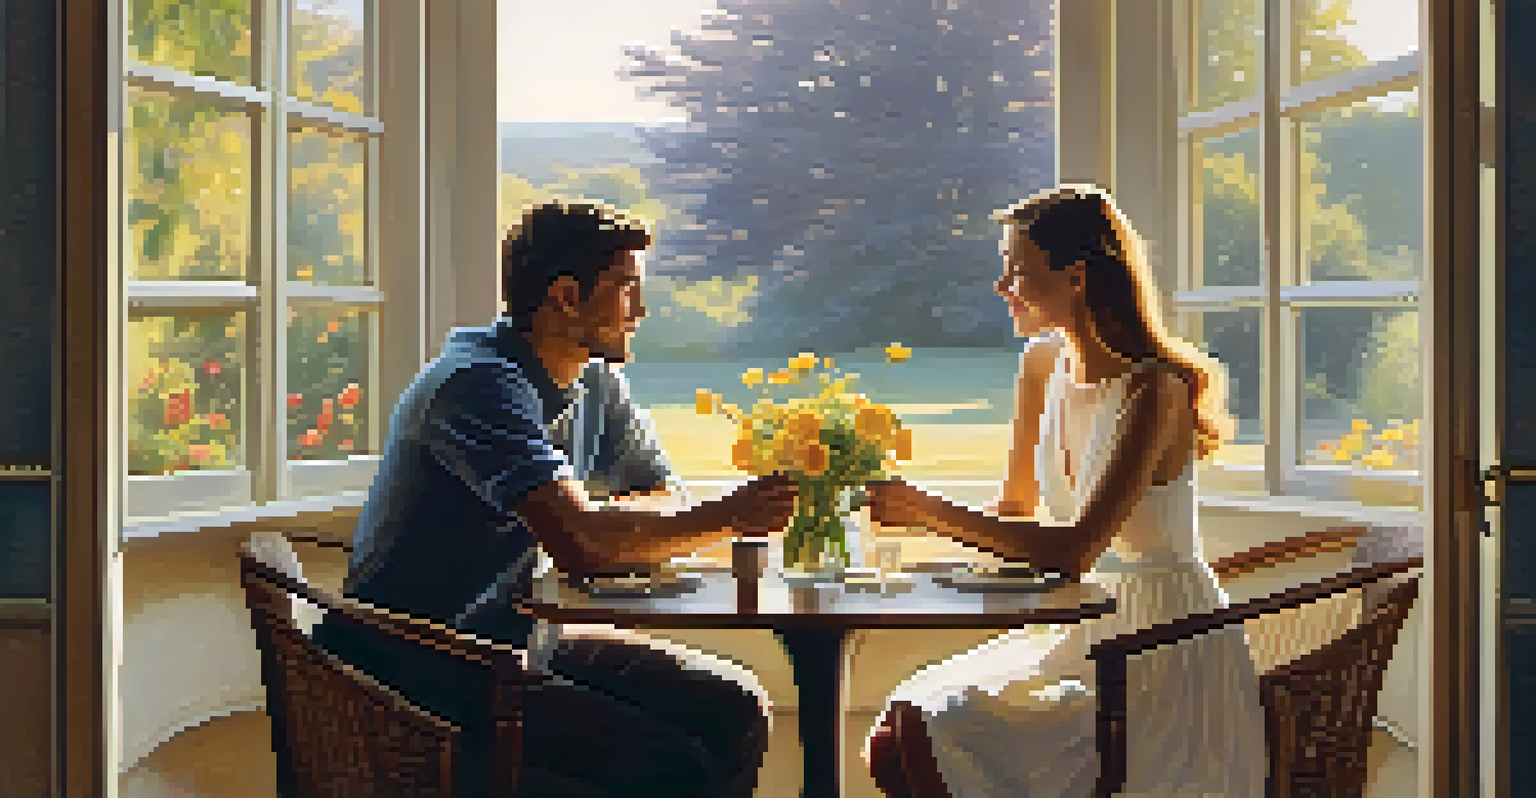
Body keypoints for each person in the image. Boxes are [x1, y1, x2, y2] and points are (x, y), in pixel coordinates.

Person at [310, 201, 798, 797]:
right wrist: (729, 517)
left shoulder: (595, 378)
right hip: (417, 667)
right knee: (670, 766)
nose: (640, 311)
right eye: (626, 289)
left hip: (510, 639)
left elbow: (664, 495)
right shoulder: (478, 384)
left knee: (735, 708)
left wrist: (607, 524)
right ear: (566, 296)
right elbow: (585, 548)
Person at [861, 185, 1266, 797]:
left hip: (1156, 646)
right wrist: (932, 560)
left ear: (1076, 277)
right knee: (899, 729)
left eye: (1018, 271)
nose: (1003, 286)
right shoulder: (1041, 365)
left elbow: (1077, 548)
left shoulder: (1154, 392)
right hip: (1074, 626)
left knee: (932, 733)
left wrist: (928, 513)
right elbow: (1016, 513)